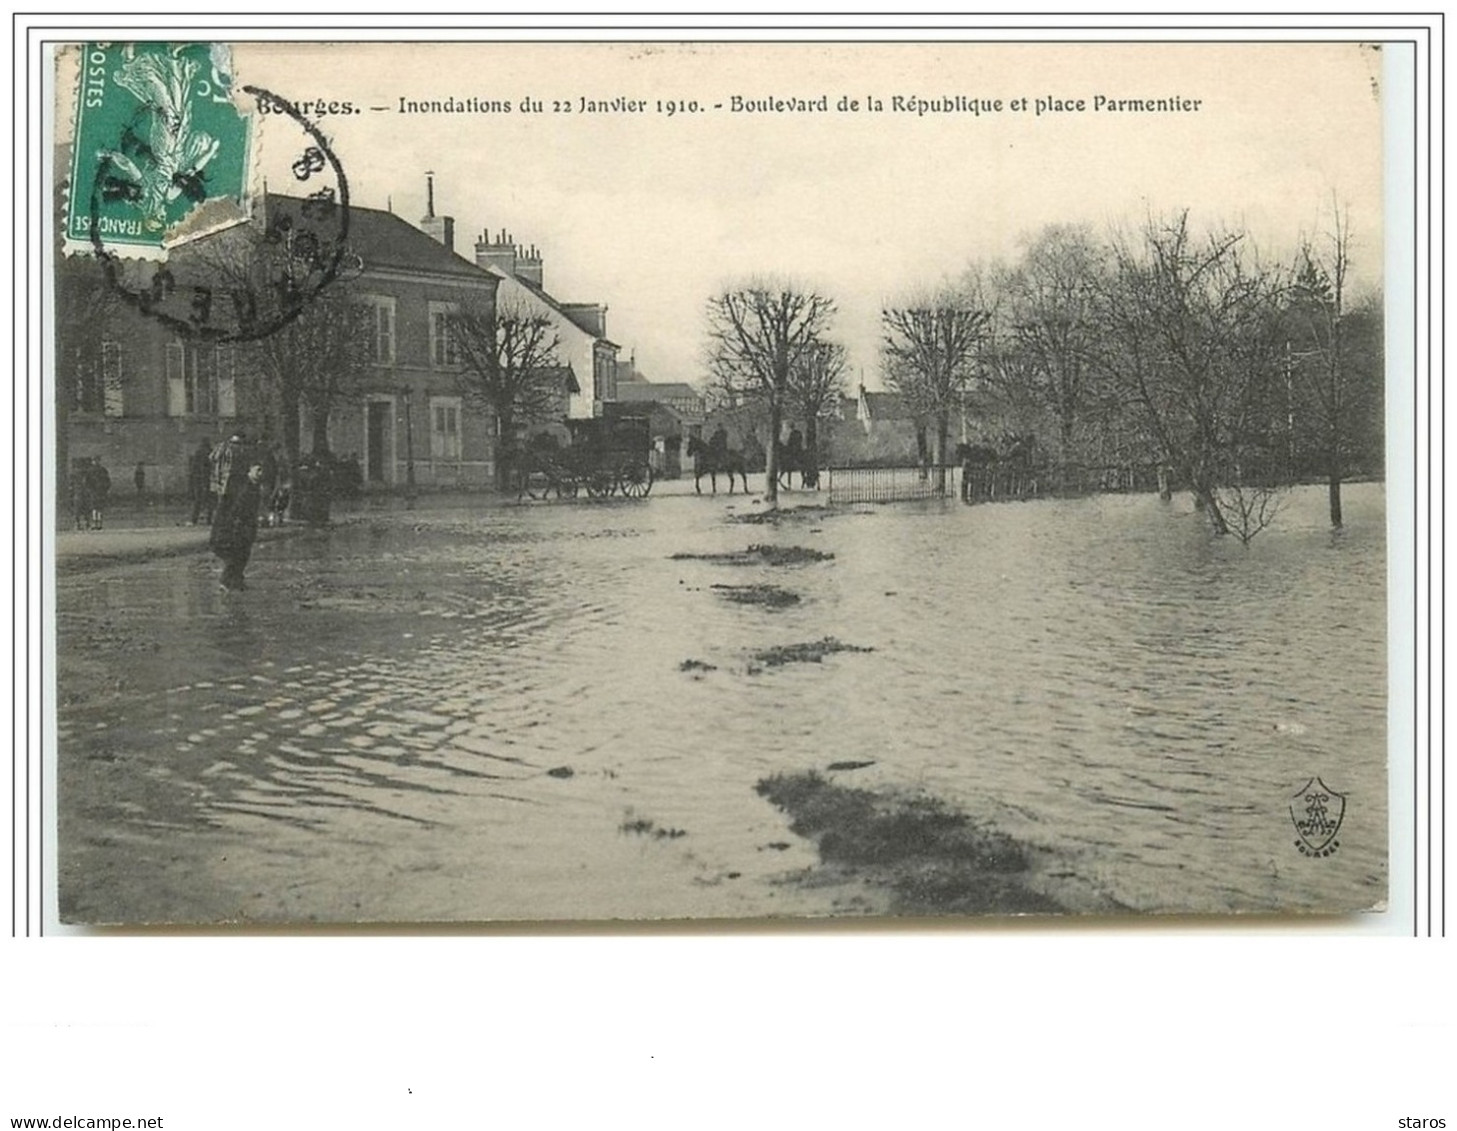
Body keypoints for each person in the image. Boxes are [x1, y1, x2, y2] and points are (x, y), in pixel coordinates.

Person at [210, 454, 264, 592]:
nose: (260, 474)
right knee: (236, 555)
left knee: (243, 555)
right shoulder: (245, 487)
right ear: (250, 470)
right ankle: (226, 582)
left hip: (244, 527)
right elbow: (237, 509)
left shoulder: (253, 486)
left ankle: (237, 581)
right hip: (237, 528)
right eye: (258, 470)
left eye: (262, 471)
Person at [188, 438, 214, 525]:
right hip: (209, 479)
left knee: (197, 500)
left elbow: (193, 468)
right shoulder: (211, 452)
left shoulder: (198, 453)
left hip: (198, 479)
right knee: (209, 500)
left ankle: (194, 519)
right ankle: (208, 519)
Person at [87, 459, 110, 529]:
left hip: (95, 492)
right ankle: (99, 523)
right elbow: (108, 481)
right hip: (100, 492)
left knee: (95, 508)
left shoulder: (90, 471)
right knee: (99, 508)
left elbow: (86, 482)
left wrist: (89, 490)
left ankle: (95, 523)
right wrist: (105, 489)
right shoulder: (103, 470)